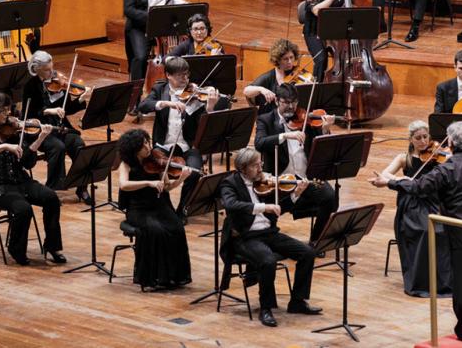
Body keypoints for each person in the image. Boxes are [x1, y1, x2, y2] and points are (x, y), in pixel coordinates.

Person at [370, 115, 462, 341]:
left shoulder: (446, 170)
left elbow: (418, 187)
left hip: (461, 233)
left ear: (451, 143)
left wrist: (390, 182)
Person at [219, 147, 321, 327]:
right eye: (255, 166)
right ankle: (265, 308)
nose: (260, 169)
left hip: (269, 233)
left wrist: (296, 195)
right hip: (244, 237)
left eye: (261, 164)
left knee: (308, 252)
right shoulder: (230, 183)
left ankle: (297, 302)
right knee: (267, 261)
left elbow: (279, 210)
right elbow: (230, 204)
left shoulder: (265, 182)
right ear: (243, 168)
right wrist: (263, 208)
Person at [0, 90, 66, 266]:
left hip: (20, 181)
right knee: (23, 209)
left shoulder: (12, 130)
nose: (8, 114)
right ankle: (16, 249)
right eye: (4, 111)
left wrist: (40, 138)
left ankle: (53, 246)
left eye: (8, 110)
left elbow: (27, 162)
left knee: (51, 198)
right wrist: (5, 146)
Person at [137, 56, 219, 224]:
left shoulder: (195, 94)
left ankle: (182, 209)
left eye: (187, 75)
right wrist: (166, 104)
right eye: (180, 76)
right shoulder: (160, 89)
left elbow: (204, 124)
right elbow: (143, 106)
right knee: (149, 168)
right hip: (164, 144)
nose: (185, 79)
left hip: (188, 145)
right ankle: (162, 207)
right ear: (168, 75)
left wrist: (209, 108)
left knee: (194, 172)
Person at [254, 83, 337, 244]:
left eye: (294, 102)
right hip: (279, 179)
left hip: (305, 177)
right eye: (286, 102)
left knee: (329, 197)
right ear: (277, 101)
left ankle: (316, 240)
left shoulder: (306, 119)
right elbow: (259, 143)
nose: (291, 106)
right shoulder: (266, 120)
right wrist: (285, 136)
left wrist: (325, 130)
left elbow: (322, 148)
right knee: (269, 207)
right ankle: (270, 241)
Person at [379, 120, 452, 297]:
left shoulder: (438, 156)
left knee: (447, 231)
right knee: (426, 231)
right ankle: (422, 281)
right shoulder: (404, 158)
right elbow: (385, 174)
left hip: (435, 202)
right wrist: (405, 181)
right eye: (418, 138)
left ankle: (444, 280)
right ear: (411, 139)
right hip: (412, 205)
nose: (423, 141)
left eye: (425, 137)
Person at [117, 128, 192, 289]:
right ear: (134, 148)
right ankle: (155, 278)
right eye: (144, 144)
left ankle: (174, 277)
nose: (148, 147)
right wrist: (148, 183)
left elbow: (167, 187)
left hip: (159, 206)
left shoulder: (156, 160)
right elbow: (124, 185)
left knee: (177, 228)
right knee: (156, 231)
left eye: (148, 142)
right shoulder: (126, 164)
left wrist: (181, 179)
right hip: (138, 210)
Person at [22, 50, 93, 204]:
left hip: (59, 126)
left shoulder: (57, 83)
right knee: (58, 147)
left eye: (51, 68)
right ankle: (51, 190)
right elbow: (28, 114)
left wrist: (81, 99)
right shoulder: (30, 86)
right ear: (36, 69)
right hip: (39, 129)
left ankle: (82, 186)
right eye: (47, 70)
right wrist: (49, 110)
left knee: (78, 144)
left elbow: (67, 108)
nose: (51, 72)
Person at [243, 39, 301, 116]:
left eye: (291, 57)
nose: (290, 61)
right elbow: (246, 91)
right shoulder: (269, 77)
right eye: (285, 59)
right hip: (271, 118)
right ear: (278, 60)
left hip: (292, 116)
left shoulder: (299, 73)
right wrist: (261, 89)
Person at [301, 0, 342, 82]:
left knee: (343, 59)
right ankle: (316, 86)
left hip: (333, 34)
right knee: (321, 59)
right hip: (313, 33)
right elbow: (316, 10)